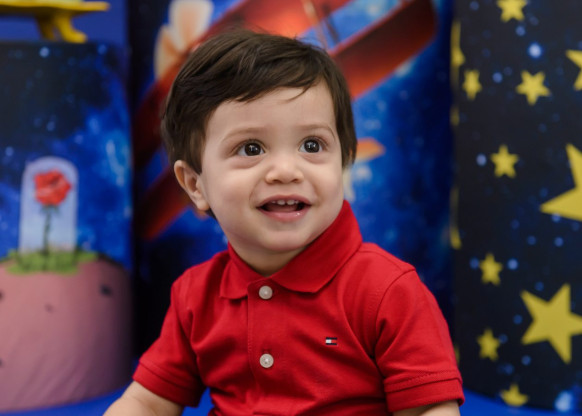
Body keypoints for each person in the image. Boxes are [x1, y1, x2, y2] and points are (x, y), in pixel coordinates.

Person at [105, 29, 464, 416]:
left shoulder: (389, 291)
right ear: (195, 185)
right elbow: (147, 403)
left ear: (343, 161)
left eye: (312, 145)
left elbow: (430, 410)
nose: (286, 170)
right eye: (251, 148)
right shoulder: (195, 296)